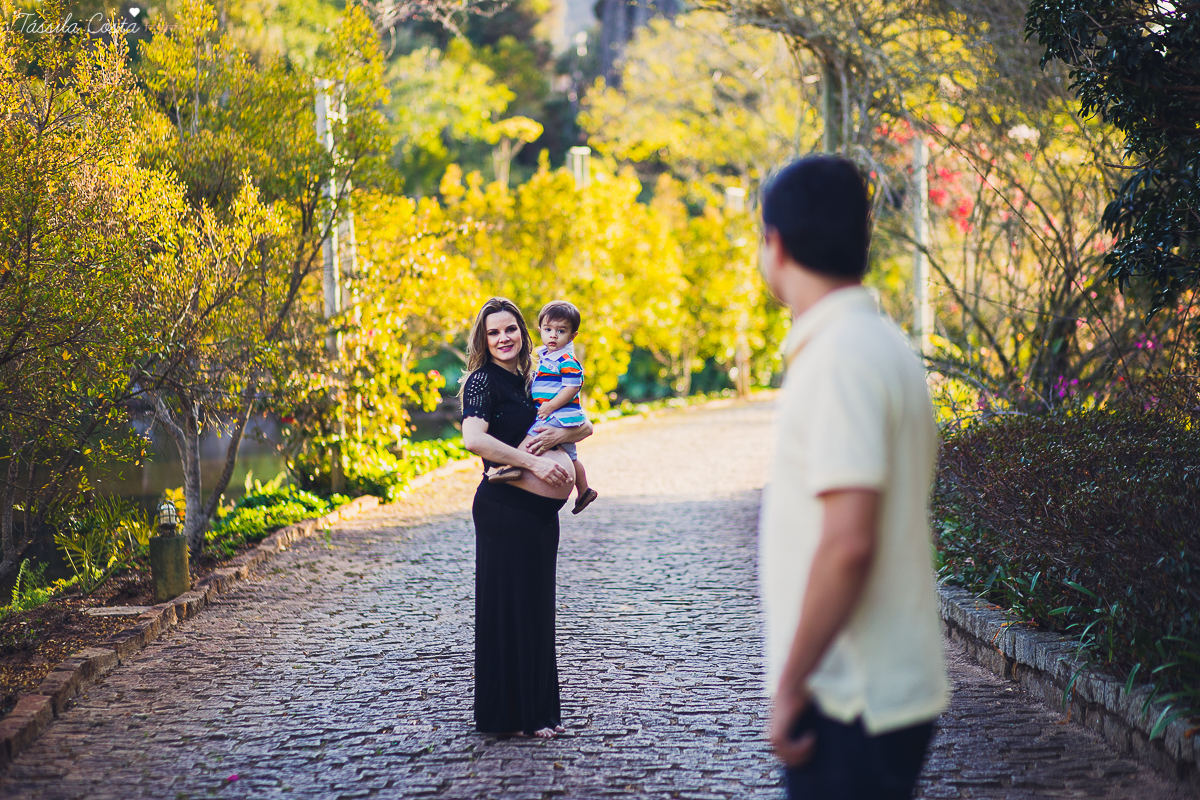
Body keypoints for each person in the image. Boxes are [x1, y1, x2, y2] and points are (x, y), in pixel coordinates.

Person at [757, 156, 950, 799]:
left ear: (776, 244)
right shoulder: (880, 344)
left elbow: (848, 543)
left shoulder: (838, 359)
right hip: (877, 690)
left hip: (849, 697)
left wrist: (789, 687)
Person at [459, 297, 593, 739]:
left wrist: (563, 433)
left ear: (524, 333)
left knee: (536, 612)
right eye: (494, 332)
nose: (503, 338)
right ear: (484, 338)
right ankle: (504, 717)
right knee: (507, 612)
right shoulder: (483, 382)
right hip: (504, 512)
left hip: (538, 518)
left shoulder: (534, 379)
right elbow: (473, 437)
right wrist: (535, 464)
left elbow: (586, 426)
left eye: (510, 329)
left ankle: (536, 714)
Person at [486, 300, 599, 515]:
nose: (553, 336)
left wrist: (550, 406)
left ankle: (507, 467)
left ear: (572, 335)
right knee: (572, 457)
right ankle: (584, 490)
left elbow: (574, 385)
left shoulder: (566, 359)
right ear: (540, 331)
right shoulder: (546, 356)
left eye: (560, 331)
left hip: (558, 414)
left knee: (534, 434)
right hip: (558, 414)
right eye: (548, 330)